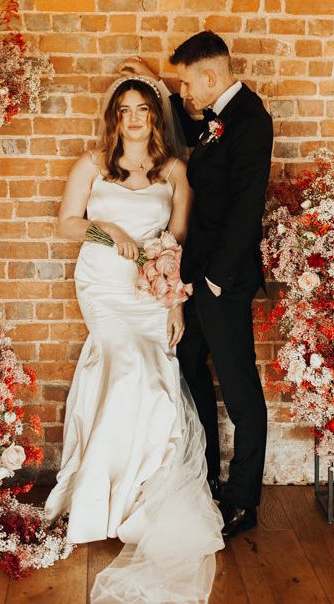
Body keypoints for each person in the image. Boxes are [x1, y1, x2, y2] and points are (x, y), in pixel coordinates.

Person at [44, 75, 224, 603]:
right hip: (102, 284)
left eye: (143, 108)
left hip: (150, 289)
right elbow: (67, 225)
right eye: (124, 109)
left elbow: (179, 241)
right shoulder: (92, 166)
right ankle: (100, 499)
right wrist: (114, 233)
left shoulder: (175, 172)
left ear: (155, 115)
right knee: (123, 368)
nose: (134, 117)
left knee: (151, 378)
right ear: (114, 117)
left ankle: (139, 503)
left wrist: (174, 301)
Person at [117, 31, 273, 541]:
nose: (185, 92)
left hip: (221, 281)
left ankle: (243, 502)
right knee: (190, 372)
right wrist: (154, 87)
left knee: (240, 389)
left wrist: (214, 279)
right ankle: (203, 479)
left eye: (187, 82)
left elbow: (248, 208)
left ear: (210, 77)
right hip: (195, 279)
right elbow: (194, 126)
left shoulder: (251, 120)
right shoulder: (218, 115)